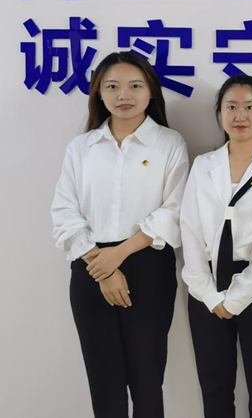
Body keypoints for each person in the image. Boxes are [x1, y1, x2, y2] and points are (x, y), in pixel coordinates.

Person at [51, 51, 189, 418]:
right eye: (112, 86)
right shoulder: (81, 147)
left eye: (135, 86)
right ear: (99, 93)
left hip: (148, 266)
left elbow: (174, 211)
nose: (123, 95)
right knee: (104, 382)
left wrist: (119, 255)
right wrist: (104, 267)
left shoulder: (169, 143)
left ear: (151, 91)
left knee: (147, 381)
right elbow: (64, 212)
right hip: (91, 267)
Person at [180, 74, 252, 418]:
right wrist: (209, 294)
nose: (239, 115)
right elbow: (190, 228)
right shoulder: (204, 165)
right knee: (215, 391)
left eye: (249, 106)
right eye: (231, 106)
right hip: (206, 286)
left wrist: (238, 297)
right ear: (220, 113)